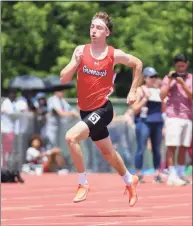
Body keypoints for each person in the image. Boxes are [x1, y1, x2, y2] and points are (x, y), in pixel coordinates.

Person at [60, 12, 143, 206]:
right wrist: (75, 62)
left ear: (107, 32)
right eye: (92, 26)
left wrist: (133, 90)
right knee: (108, 153)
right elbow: (63, 78)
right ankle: (130, 181)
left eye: (98, 28)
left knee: (71, 137)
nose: (94, 30)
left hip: (103, 110)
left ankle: (82, 183)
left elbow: (137, 63)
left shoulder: (114, 54)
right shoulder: (80, 50)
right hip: (86, 111)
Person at [160, 54, 192, 186]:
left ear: (187, 64)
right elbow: (161, 96)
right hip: (173, 116)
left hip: (188, 117)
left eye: (183, 65)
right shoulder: (168, 78)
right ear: (175, 66)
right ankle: (172, 175)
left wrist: (182, 84)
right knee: (172, 146)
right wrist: (169, 81)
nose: (181, 68)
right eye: (178, 66)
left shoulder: (191, 78)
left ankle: (180, 173)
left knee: (184, 147)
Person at [132, 67, 164, 183]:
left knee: (157, 149)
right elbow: (135, 109)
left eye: (155, 76)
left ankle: (157, 173)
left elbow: (163, 109)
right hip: (144, 122)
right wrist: (145, 99)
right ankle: (139, 174)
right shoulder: (140, 90)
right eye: (151, 77)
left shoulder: (159, 90)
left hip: (158, 123)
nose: (154, 79)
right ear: (145, 78)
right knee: (141, 148)